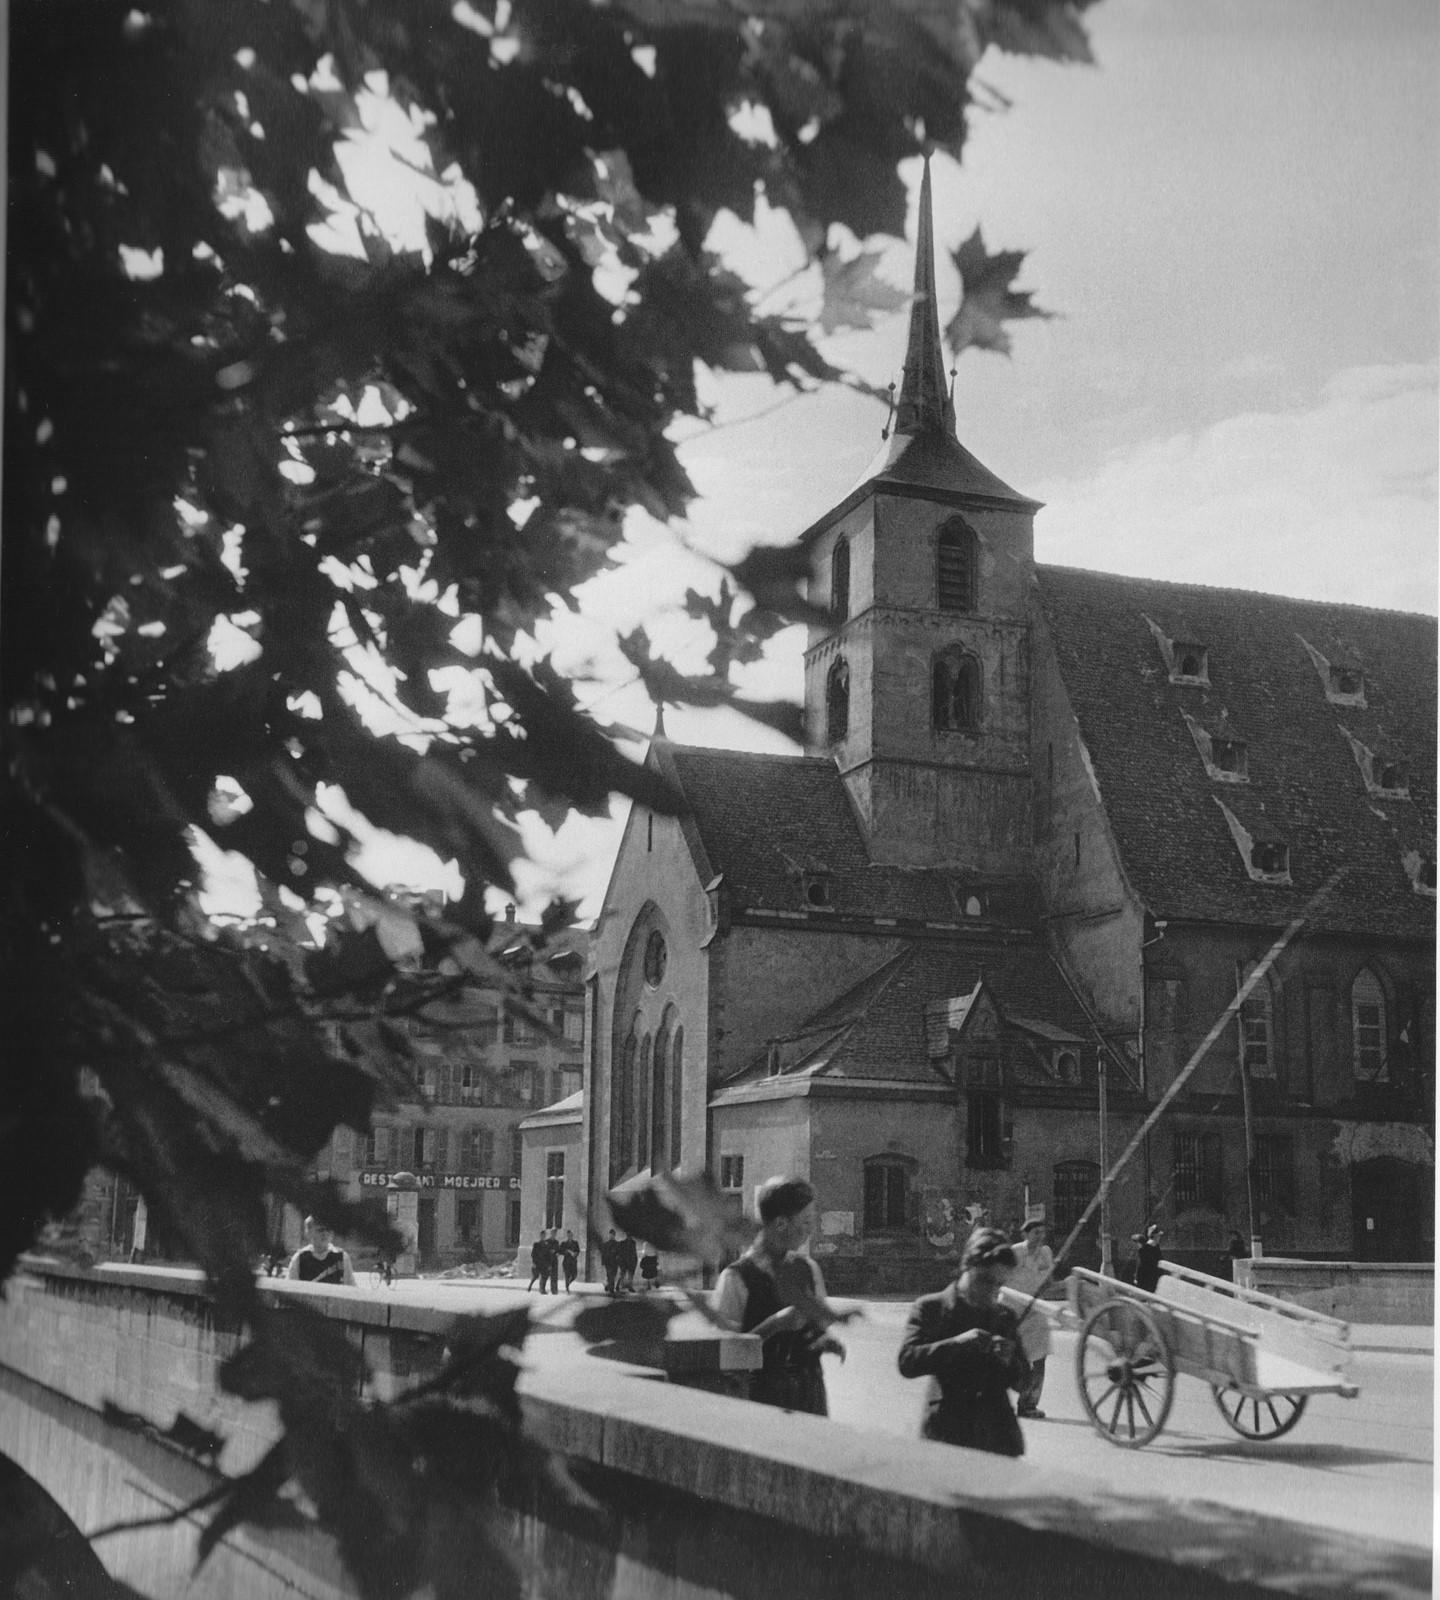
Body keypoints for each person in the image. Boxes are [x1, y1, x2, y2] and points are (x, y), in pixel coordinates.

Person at [712, 1176, 845, 1416]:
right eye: (806, 1221)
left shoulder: (808, 1269)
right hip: (761, 1405)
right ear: (781, 1223)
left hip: (809, 1399)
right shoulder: (736, 1278)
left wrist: (823, 1340)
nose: (811, 1228)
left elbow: (816, 1328)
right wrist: (775, 1324)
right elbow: (724, 1355)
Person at [897, 1227, 1031, 1457]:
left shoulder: (1004, 1316)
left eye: (999, 1285)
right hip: (947, 1435)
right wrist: (957, 1344)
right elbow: (907, 1361)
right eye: (985, 1280)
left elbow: (1024, 1383)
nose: (991, 1292)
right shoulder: (932, 1308)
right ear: (967, 1265)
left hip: (997, 1439)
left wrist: (1010, 1361)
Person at [1007, 1216, 1054, 1419]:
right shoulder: (1015, 1252)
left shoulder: (1046, 1253)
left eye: (1043, 1232)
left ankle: (1028, 1404)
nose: (1040, 1237)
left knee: (1040, 1357)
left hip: (1036, 1310)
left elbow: (1049, 1279)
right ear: (1025, 1234)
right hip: (1013, 1309)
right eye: (1036, 1233)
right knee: (1012, 1357)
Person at [286, 1217, 356, 1286]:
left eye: (328, 1230)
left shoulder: (342, 1257)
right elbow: (290, 1287)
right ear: (309, 1233)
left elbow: (351, 1288)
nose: (325, 1234)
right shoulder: (300, 1258)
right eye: (320, 1230)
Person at [1132, 1223, 1163, 1293]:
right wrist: (1137, 1278)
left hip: (1154, 1280)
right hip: (1145, 1281)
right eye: (1159, 1235)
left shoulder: (1157, 1247)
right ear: (1155, 1236)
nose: (1160, 1238)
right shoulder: (1144, 1249)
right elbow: (1140, 1265)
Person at [600, 1229, 620, 1295]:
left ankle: (608, 1286)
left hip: (615, 1263)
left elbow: (619, 1254)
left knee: (613, 1275)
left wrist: (618, 1258)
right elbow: (603, 1254)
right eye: (610, 1235)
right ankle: (611, 1288)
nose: (611, 1236)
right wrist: (603, 1263)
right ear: (609, 1235)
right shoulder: (606, 1244)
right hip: (608, 1263)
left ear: (614, 1235)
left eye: (613, 1235)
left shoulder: (617, 1244)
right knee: (610, 1275)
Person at [546, 1229, 561, 1294]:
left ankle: (554, 1290)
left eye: (555, 1233)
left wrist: (558, 1253)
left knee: (554, 1275)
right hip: (548, 1260)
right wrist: (550, 1251)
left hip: (554, 1260)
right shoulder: (547, 1241)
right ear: (551, 1233)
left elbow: (558, 1250)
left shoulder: (556, 1242)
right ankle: (542, 1288)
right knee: (545, 1275)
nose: (554, 1234)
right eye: (553, 1233)